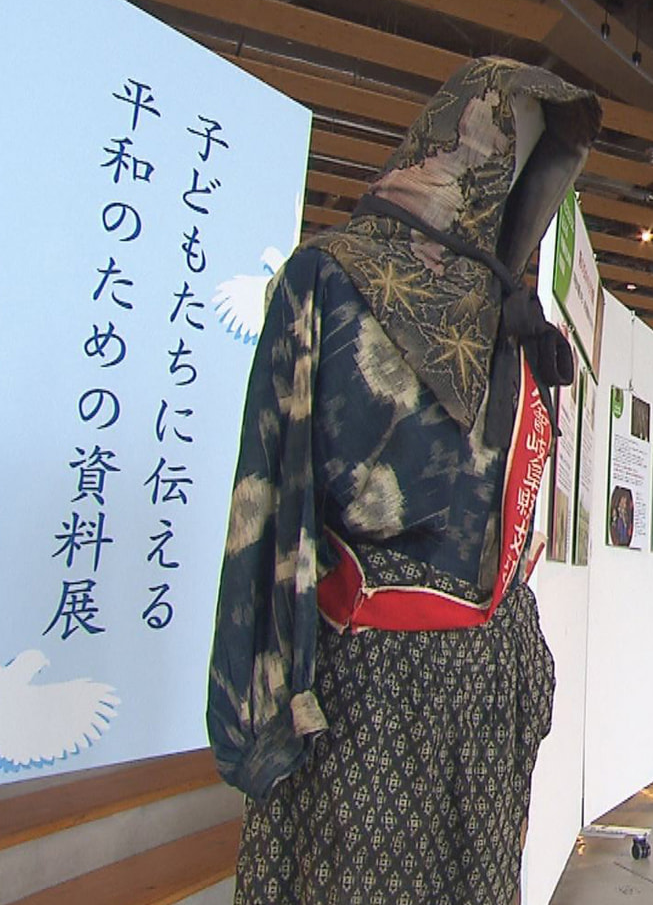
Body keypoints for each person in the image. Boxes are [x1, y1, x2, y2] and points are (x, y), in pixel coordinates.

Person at [206, 57, 601, 905]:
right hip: (374, 689)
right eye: (510, 151)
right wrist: (270, 698)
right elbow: (271, 499)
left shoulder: (516, 320)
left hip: (485, 676)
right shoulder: (329, 276)